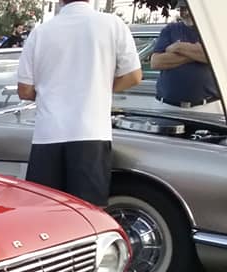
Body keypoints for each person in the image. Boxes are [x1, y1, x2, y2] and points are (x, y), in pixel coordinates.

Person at [16, 0, 142, 207]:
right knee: (89, 213)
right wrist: (98, 88)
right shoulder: (112, 24)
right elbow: (134, 76)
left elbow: (24, 90)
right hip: (91, 133)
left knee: (43, 212)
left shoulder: (40, 33)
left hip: (48, 135)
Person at [150, 0, 221, 114]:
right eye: (182, 9)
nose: (186, 13)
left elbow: (216, 57)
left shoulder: (211, 30)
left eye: (189, 9)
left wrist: (178, 47)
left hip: (207, 107)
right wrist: (197, 53)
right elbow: (156, 62)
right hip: (166, 106)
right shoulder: (170, 30)